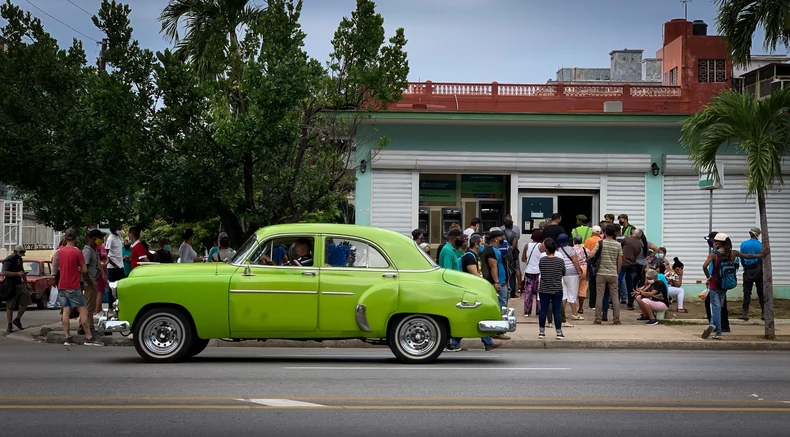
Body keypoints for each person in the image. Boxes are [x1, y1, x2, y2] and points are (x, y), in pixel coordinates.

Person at [702, 232, 765, 340]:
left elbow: (704, 266)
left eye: (714, 242)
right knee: (719, 306)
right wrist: (761, 255)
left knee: (716, 307)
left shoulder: (714, 254)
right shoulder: (733, 253)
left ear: (718, 243)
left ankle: (718, 332)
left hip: (715, 283)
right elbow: (748, 256)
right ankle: (713, 323)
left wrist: (708, 277)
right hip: (726, 283)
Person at [447, 234, 500, 352]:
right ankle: (486, 342)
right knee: (474, 316)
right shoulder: (470, 257)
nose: (482, 246)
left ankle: (484, 342)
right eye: (481, 243)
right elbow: (475, 275)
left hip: (471, 291)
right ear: (476, 244)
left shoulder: (475, 256)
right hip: (470, 291)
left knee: (471, 317)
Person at [54, 228, 102, 346]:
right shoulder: (78, 252)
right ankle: (88, 336)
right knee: (83, 310)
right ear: (75, 238)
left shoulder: (59, 252)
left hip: (62, 285)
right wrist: (80, 268)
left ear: (65, 238)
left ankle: (67, 337)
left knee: (66, 310)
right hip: (74, 285)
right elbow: (84, 269)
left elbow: (54, 269)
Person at [590, 224, 623, 325]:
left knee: (599, 296)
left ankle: (598, 319)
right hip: (613, 273)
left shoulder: (600, 243)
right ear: (614, 233)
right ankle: (616, 319)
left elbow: (591, 254)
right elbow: (620, 260)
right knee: (615, 297)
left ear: (604, 233)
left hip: (601, 273)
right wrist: (617, 272)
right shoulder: (618, 245)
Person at [482, 230, 511, 341]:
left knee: (502, 306)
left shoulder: (496, 250)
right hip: (498, 284)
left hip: (502, 282)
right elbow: (493, 267)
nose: (501, 239)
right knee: (500, 307)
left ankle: (499, 330)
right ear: (495, 239)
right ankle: (498, 330)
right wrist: (497, 282)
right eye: (500, 237)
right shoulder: (491, 251)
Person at [537, 238, 566, 340]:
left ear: (547, 250)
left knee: (543, 310)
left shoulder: (542, 260)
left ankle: (541, 332)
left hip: (544, 288)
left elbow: (541, 271)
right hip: (557, 288)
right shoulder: (560, 261)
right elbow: (563, 273)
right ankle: (559, 332)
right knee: (557, 311)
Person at [81, 229, 105, 336]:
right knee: (89, 307)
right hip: (88, 283)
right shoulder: (87, 251)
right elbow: (84, 268)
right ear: (94, 238)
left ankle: (82, 327)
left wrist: (100, 273)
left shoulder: (94, 249)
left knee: (89, 306)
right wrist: (89, 283)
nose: (102, 240)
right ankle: (90, 328)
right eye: (100, 238)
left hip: (92, 280)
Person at [2, 245, 31, 333]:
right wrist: (16, 274)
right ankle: (9, 324)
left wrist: (27, 284)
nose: (21, 255)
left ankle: (17, 319)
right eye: (20, 253)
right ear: (15, 252)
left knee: (26, 301)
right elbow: (4, 272)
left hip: (19, 283)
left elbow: (22, 272)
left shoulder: (19, 259)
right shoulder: (8, 260)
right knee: (10, 305)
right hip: (10, 284)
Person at [556, 234, 583, 322]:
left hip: (561, 273)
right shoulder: (571, 250)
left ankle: (562, 314)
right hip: (572, 274)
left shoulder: (557, 250)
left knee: (564, 294)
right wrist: (579, 271)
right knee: (572, 294)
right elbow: (575, 261)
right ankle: (574, 314)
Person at [740, 227, 764, 321]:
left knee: (746, 292)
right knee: (761, 292)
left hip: (748, 270)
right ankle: (764, 313)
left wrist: (745, 266)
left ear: (750, 233)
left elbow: (741, 257)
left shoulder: (744, 244)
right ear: (758, 234)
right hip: (759, 270)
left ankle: (745, 313)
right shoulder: (761, 245)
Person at [521, 229, 545, 317]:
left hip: (529, 271)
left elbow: (523, 259)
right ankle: (539, 310)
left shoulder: (527, 245)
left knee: (528, 292)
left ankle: (527, 311)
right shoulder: (542, 246)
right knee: (539, 292)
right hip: (539, 272)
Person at [573, 235, 589, 313]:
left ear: (574, 241)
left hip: (575, 269)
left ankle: (574, 309)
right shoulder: (586, 250)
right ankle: (581, 308)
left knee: (573, 289)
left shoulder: (571, 250)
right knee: (583, 289)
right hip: (585, 269)